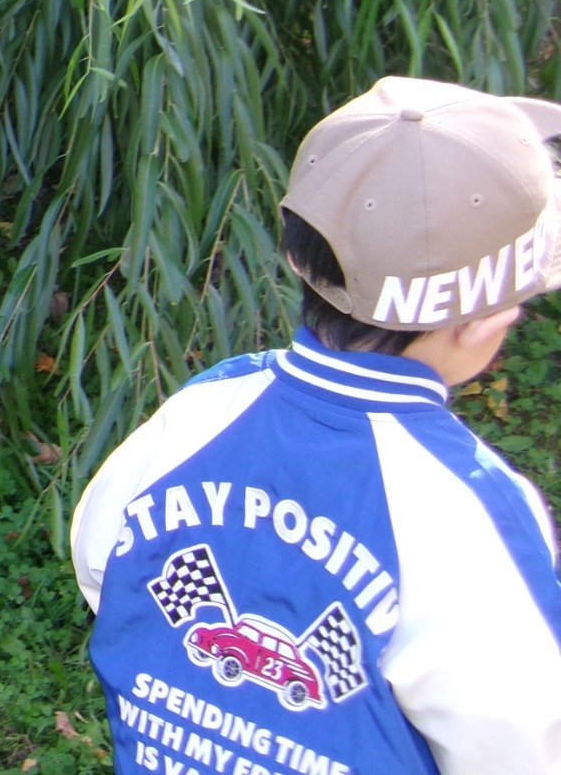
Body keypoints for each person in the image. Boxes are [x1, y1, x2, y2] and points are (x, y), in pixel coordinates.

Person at [71, 76, 561, 775]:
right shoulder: (471, 508)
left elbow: (100, 562)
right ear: (484, 319)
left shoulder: (208, 407)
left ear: (299, 256)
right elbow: (521, 749)